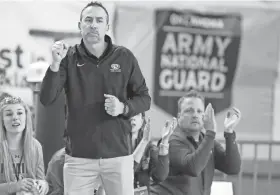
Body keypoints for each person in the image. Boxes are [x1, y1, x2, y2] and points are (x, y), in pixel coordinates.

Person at [39, 1, 151, 195]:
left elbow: (144, 98)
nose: (93, 25)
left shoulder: (124, 57)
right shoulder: (68, 57)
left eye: (99, 20)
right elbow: (46, 98)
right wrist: (55, 64)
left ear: (107, 26)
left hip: (118, 156)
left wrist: (123, 108)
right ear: (79, 25)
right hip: (78, 159)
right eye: (88, 20)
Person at [150, 90, 242, 195]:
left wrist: (229, 133)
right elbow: (193, 167)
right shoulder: (172, 141)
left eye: (199, 111)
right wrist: (210, 132)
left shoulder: (206, 140)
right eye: (189, 110)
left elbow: (233, 168)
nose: (195, 115)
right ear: (179, 116)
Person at [0, 96, 49, 195]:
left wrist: (43, 185)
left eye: (20, 113)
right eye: (9, 114)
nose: (15, 117)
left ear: (26, 117)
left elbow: (41, 180)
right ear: (2, 121)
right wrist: (15, 186)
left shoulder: (35, 146)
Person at [129, 113, 176, 195]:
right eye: (129, 114)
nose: (132, 118)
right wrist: (144, 141)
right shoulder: (113, 146)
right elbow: (127, 172)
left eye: (136, 114)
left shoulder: (150, 148)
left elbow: (159, 176)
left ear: (142, 120)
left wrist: (164, 142)